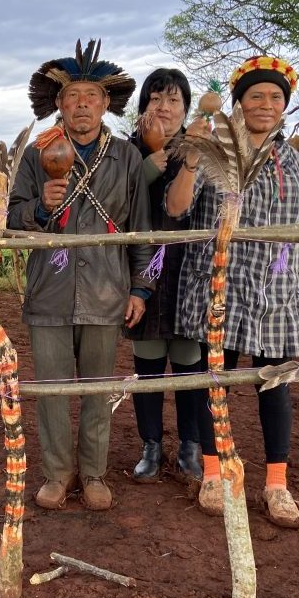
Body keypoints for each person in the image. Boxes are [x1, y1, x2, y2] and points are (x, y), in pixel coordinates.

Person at [166, 55, 299, 528]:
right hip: (220, 284)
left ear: (284, 105)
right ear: (239, 102)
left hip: (275, 291)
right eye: (256, 96)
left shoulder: (292, 159)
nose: (266, 105)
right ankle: (214, 473)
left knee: (275, 387)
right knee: (218, 379)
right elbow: (176, 208)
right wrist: (192, 153)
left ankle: (276, 484)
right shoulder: (212, 151)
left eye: (275, 97)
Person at [8, 39, 155, 511]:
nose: (82, 105)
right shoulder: (37, 155)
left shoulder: (127, 158)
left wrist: (139, 289)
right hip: (49, 291)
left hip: (107, 293)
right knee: (50, 389)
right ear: (59, 104)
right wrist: (38, 207)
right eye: (73, 97)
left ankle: (93, 473)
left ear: (106, 104)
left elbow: (142, 230)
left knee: (96, 388)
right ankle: (57, 473)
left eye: (91, 96)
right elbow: (10, 219)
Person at [124, 68, 206, 486]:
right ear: (142, 108)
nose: (164, 108)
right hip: (142, 268)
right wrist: (147, 167)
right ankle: (151, 444)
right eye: (155, 99)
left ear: (186, 109)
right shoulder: (125, 154)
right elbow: (117, 203)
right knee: (149, 364)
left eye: (174, 101)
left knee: (191, 361)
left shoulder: (204, 151)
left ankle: (191, 445)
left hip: (191, 269)